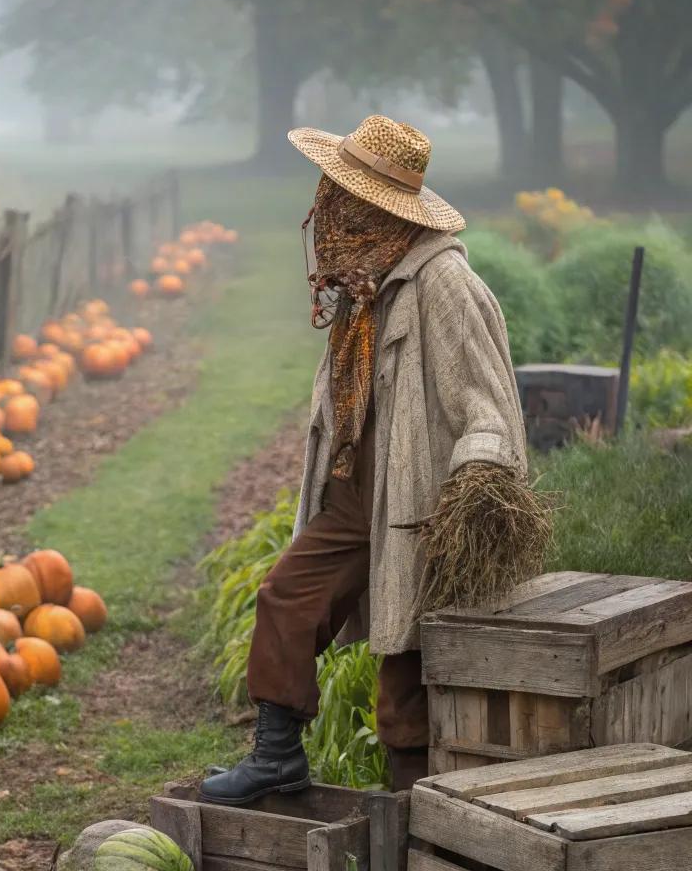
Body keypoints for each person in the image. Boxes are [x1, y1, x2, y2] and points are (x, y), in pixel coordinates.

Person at [201, 114, 544, 806]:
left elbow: (491, 403)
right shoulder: (365, 276)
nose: (324, 204)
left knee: (405, 676)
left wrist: (478, 481)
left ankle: (416, 823)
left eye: (341, 191)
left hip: (420, 500)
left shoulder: (440, 281)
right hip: (360, 490)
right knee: (288, 598)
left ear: (375, 206)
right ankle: (276, 758)